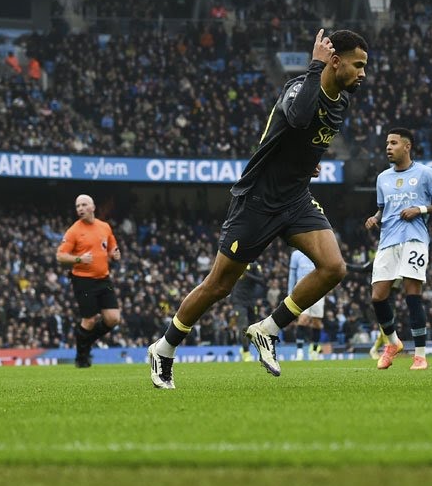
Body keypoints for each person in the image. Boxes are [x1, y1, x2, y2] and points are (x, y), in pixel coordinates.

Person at [147, 29, 369, 389]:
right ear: (334, 61)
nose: (363, 73)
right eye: (358, 65)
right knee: (218, 286)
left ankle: (268, 328)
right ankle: (164, 348)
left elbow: (305, 141)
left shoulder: (341, 103)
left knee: (333, 267)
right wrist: (314, 66)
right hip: (257, 201)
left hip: (295, 199)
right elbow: (297, 119)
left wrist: (306, 164)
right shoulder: (299, 87)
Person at [365, 128, 432, 371]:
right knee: (377, 296)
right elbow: (384, 209)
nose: (388, 147)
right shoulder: (382, 178)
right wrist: (374, 218)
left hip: (414, 239)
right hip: (387, 241)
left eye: (393, 143)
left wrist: (420, 209)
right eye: (387, 143)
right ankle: (393, 343)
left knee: (412, 296)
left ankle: (421, 355)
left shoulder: (425, 173)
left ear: (407, 146)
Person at [56, 194, 121, 368]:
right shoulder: (74, 231)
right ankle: (81, 357)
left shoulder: (104, 227)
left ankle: (86, 339)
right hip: (83, 280)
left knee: (113, 318)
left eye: (84, 205)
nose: (80, 209)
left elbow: (112, 247)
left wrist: (115, 254)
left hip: (103, 278)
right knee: (90, 320)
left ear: (93, 207)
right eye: (78, 206)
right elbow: (60, 256)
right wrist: (78, 260)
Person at [288, 249, 322, 359]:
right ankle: (300, 351)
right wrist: (289, 292)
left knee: (317, 323)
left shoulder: (319, 251)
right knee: (303, 319)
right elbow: (292, 275)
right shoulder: (296, 254)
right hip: (301, 290)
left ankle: (314, 350)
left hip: (319, 289)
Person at [230, 263, 265, 360]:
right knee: (243, 326)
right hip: (238, 301)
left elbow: (262, 281)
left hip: (251, 301)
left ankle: (247, 347)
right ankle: (246, 352)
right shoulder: (235, 262)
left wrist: (247, 274)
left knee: (252, 327)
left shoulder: (254, 265)